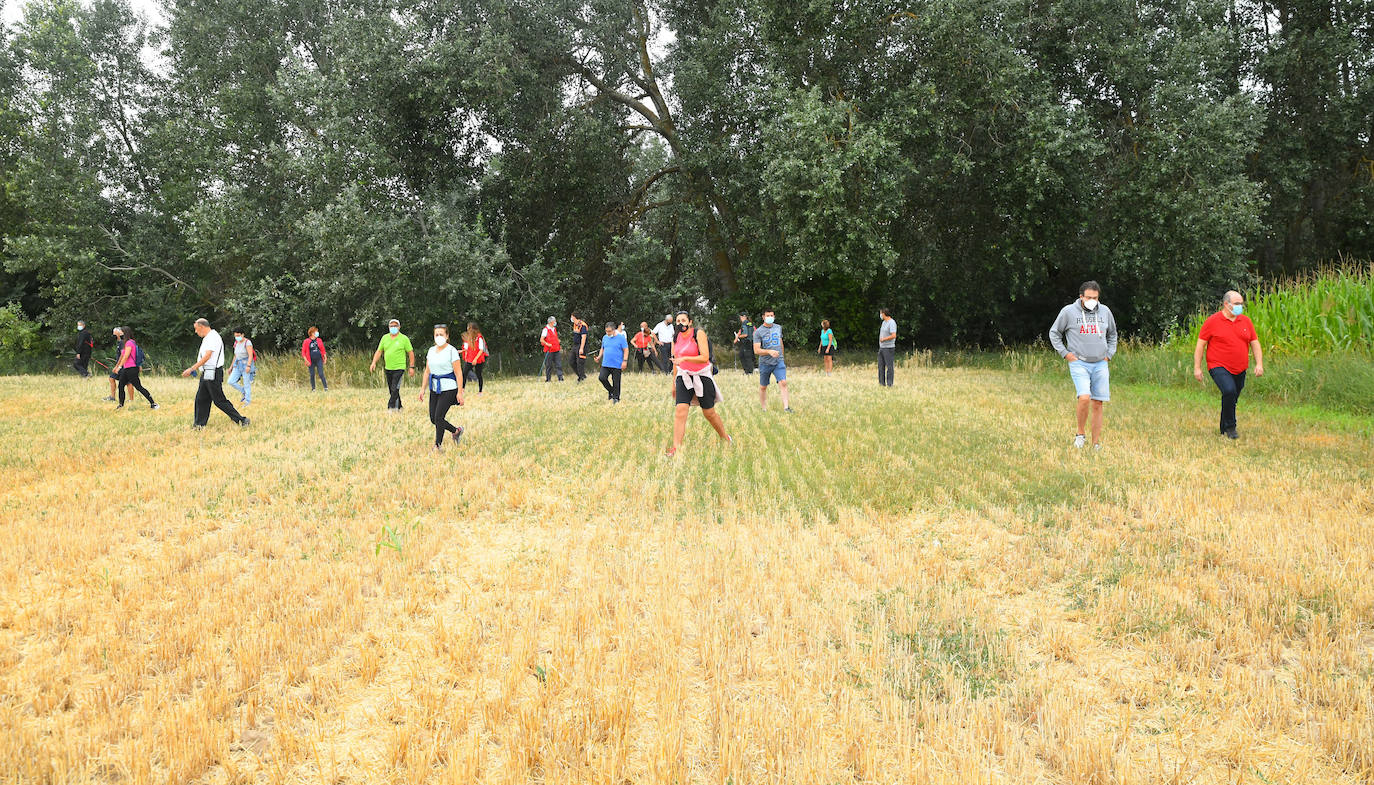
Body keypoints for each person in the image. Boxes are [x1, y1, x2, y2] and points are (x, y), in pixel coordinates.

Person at [1048, 281, 1119, 450]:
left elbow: (1113, 334)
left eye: (1095, 297)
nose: (1092, 300)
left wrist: (1109, 355)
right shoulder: (1068, 312)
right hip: (1079, 362)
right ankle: (1080, 434)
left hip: (1100, 362)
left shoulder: (1105, 311)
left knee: (1098, 402)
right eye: (1089, 297)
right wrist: (1065, 353)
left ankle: (1095, 443)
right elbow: (1054, 333)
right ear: (1081, 297)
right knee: (1084, 397)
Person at [1194, 290, 1264, 440]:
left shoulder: (1245, 321)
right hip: (1218, 365)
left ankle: (1223, 426)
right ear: (1226, 304)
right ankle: (1231, 428)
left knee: (1232, 397)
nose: (1240, 307)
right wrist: (1197, 368)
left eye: (1241, 304)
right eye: (1237, 304)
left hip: (1240, 367)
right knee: (1229, 390)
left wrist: (1259, 364)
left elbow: (1255, 343)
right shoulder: (1212, 321)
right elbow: (1201, 345)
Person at [667, 310, 732, 456]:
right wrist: (673, 384)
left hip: (701, 375)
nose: (680, 323)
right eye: (677, 321)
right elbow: (675, 362)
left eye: (683, 320)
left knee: (709, 412)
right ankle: (676, 448)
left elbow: (704, 357)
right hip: (683, 376)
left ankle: (725, 438)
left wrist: (685, 359)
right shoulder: (675, 338)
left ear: (690, 322)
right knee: (680, 410)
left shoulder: (698, 334)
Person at [182, 318, 249, 429]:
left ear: (202, 326)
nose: (195, 331)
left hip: (212, 372)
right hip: (207, 372)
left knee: (219, 400)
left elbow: (207, 356)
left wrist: (192, 369)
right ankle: (199, 425)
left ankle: (242, 420)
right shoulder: (208, 337)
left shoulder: (213, 337)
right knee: (201, 398)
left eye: (196, 329)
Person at [419, 324, 465, 451]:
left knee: (439, 417)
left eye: (441, 334)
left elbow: (458, 373)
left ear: (447, 336)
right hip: (435, 388)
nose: (439, 337)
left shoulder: (452, 351)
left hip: (449, 388)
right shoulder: (431, 351)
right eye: (436, 334)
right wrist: (423, 389)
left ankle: (437, 445)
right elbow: (427, 371)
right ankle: (456, 431)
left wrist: (460, 392)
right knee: (434, 419)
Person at [370, 319, 415, 410]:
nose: (393, 328)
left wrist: (411, 367)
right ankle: (399, 406)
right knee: (392, 389)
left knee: (395, 388)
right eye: (391, 326)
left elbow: (410, 353)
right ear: (389, 327)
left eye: (395, 326)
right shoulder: (385, 338)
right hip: (388, 367)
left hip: (399, 367)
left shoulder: (404, 339)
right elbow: (379, 351)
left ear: (399, 327)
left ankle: (391, 407)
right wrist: (374, 362)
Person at [753, 308, 792, 413]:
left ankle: (786, 408)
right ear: (763, 317)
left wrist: (782, 356)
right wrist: (769, 352)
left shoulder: (778, 328)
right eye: (767, 316)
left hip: (778, 361)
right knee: (763, 387)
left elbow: (780, 342)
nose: (770, 318)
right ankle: (763, 408)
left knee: (783, 382)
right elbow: (756, 350)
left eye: (771, 315)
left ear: (774, 317)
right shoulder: (758, 332)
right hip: (765, 363)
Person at [113, 327, 158, 410]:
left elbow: (126, 356)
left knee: (138, 387)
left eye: (121, 332)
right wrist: (117, 366)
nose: (120, 334)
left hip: (132, 368)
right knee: (121, 386)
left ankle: (153, 403)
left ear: (125, 333)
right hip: (126, 368)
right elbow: (122, 355)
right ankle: (121, 405)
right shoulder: (126, 343)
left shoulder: (130, 343)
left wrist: (119, 367)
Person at [594, 321, 629, 403]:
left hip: (617, 364)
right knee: (602, 378)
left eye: (609, 331)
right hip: (606, 363)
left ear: (614, 330)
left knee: (616, 381)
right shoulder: (605, 337)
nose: (608, 333)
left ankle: (616, 398)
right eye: (606, 331)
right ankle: (611, 391)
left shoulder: (621, 338)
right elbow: (602, 348)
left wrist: (625, 361)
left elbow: (626, 350)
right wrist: (599, 357)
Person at [227, 327, 256, 406]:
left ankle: (247, 401)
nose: (237, 337)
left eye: (238, 335)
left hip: (246, 363)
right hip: (237, 364)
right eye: (236, 335)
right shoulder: (236, 342)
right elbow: (235, 356)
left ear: (243, 334)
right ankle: (243, 391)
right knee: (230, 381)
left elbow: (250, 355)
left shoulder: (248, 342)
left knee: (246, 383)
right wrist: (231, 367)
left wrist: (248, 366)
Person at [460, 322, 489, 393]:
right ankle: (462, 389)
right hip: (470, 358)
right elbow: (467, 348)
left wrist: (475, 359)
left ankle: (480, 391)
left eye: (469, 327)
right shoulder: (469, 337)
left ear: (473, 329)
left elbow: (481, 350)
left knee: (478, 374)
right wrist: (461, 351)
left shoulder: (479, 337)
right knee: (464, 373)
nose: (467, 329)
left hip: (478, 358)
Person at [301, 327, 328, 391]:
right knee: (312, 374)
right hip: (311, 360)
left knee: (321, 373)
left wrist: (325, 357)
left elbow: (322, 349)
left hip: (319, 359)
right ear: (312, 333)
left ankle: (326, 387)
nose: (317, 333)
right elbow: (303, 352)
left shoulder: (319, 340)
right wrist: (306, 360)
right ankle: (313, 389)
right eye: (316, 332)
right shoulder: (306, 341)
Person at [541, 316, 564, 381]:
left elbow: (554, 338)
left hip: (556, 349)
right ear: (551, 322)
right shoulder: (545, 329)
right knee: (549, 365)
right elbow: (541, 340)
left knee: (558, 364)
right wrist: (547, 344)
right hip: (549, 350)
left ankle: (560, 378)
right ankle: (548, 379)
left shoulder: (554, 329)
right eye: (554, 321)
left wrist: (558, 341)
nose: (555, 322)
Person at [104, 327, 124, 401]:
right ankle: (113, 397)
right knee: (112, 378)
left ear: (119, 333)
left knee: (112, 378)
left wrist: (117, 366)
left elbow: (123, 354)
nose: (113, 335)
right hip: (121, 365)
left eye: (115, 333)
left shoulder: (122, 342)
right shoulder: (119, 342)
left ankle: (113, 397)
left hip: (122, 366)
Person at [878, 307, 897, 387]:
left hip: (889, 348)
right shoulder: (884, 322)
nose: (880, 315)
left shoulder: (892, 323)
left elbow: (893, 335)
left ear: (884, 314)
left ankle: (890, 384)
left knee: (889, 366)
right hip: (882, 347)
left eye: (881, 313)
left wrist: (884, 339)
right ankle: (881, 383)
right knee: (880, 366)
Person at [569, 312, 589, 382]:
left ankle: (581, 378)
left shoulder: (582, 325)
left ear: (574, 317)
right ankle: (581, 375)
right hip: (575, 345)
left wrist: (581, 348)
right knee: (571, 361)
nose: (571, 318)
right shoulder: (575, 324)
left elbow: (584, 337)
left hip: (581, 346)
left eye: (572, 317)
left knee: (580, 362)